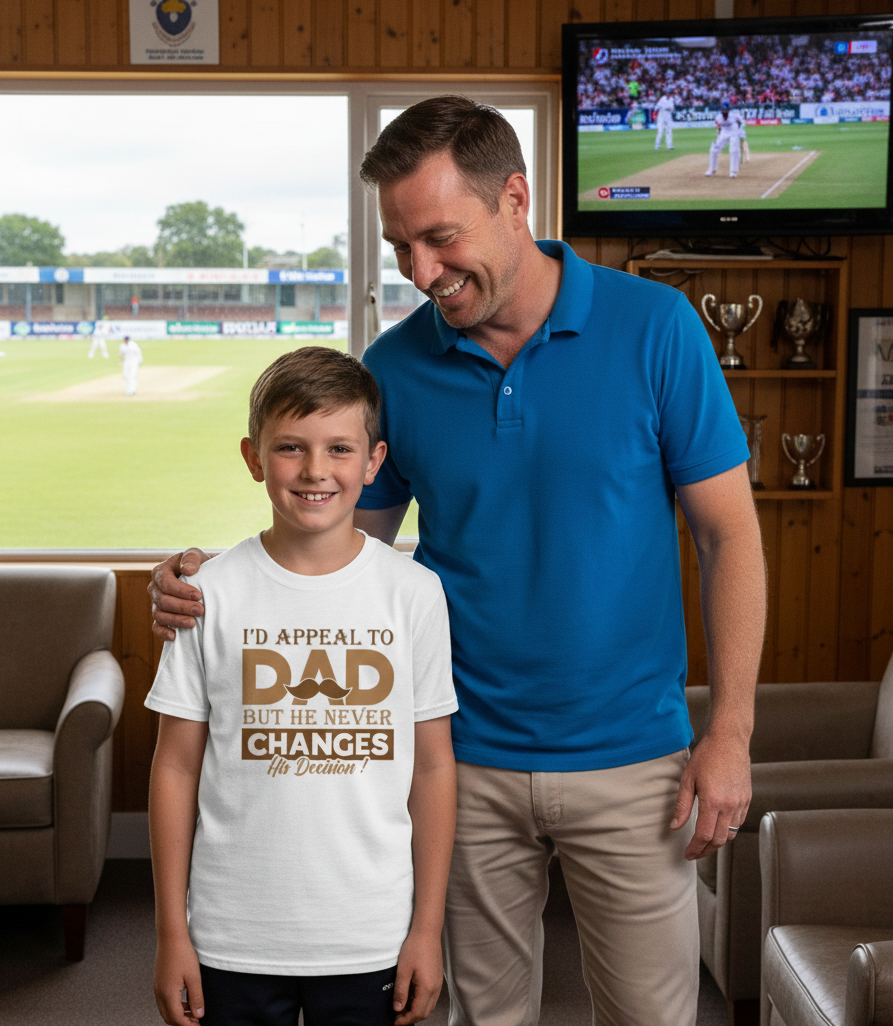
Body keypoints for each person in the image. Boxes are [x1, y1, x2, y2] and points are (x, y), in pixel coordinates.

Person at [150, 96, 767, 1026]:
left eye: (439, 238)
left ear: (514, 198)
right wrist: (207, 576)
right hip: (459, 761)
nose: (420, 272)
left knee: (652, 1015)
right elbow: (332, 536)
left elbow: (730, 536)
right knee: (483, 1016)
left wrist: (729, 735)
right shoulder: (394, 367)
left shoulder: (656, 328)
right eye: (401, 247)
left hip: (634, 759)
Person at [146, 346, 457, 1026]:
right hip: (231, 936)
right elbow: (173, 766)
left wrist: (424, 931)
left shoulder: (414, 594)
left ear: (373, 462)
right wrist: (173, 932)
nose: (315, 470)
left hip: (370, 932)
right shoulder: (206, 593)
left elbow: (433, 766)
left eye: (339, 448)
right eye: (290, 447)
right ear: (253, 457)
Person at [705, 100, 747, 177]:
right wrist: (719, 135)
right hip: (724, 131)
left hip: (734, 130)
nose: (724, 111)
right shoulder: (718, 117)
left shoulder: (734, 115)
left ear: (728, 110)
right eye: (723, 110)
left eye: (726, 110)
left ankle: (733, 171)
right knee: (714, 148)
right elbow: (719, 127)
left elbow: (741, 123)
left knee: (734, 150)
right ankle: (712, 169)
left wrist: (741, 133)